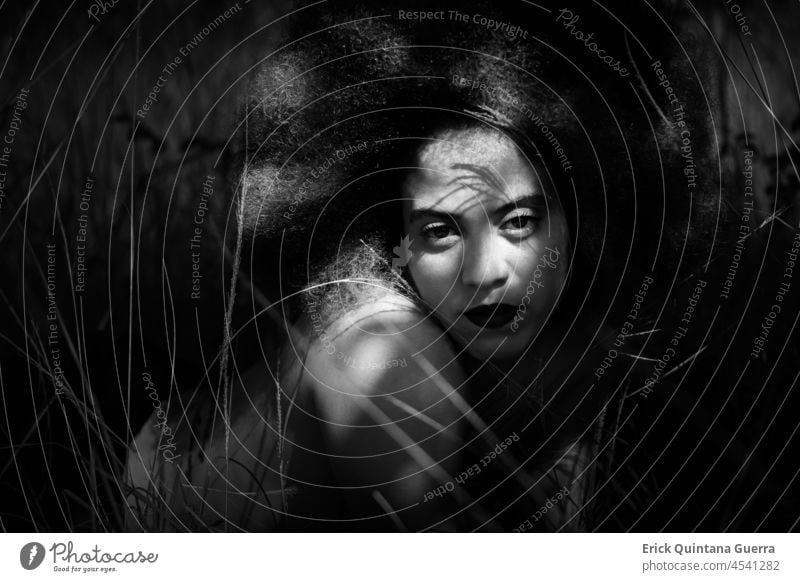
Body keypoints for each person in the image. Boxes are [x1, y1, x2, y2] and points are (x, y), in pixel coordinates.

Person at [125, 0, 719, 532]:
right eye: (438, 232)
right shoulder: (387, 358)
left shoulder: (583, 345)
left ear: (583, 216)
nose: (486, 271)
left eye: (519, 222)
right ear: (391, 240)